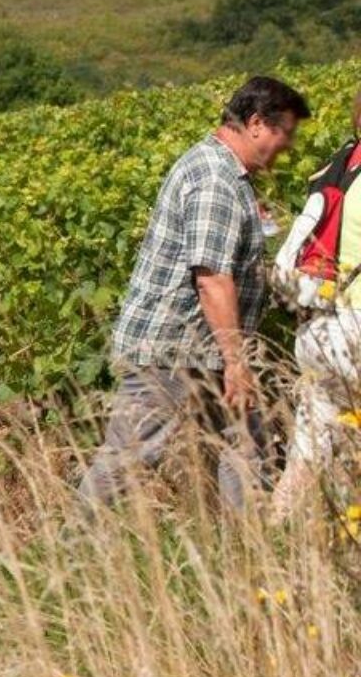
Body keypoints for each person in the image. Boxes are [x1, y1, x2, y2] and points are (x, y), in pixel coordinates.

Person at [80, 76, 308, 514]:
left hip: (201, 351)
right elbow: (211, 278)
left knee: (248, 443)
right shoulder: (215, 179)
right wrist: (236, 362)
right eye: (286, 134)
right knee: (128, 457)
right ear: (258, 123)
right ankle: (69, 554)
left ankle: (244, 554)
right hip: (174, 350)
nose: (289, 146)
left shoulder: (224, 173)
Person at [275, 86, 361, 517]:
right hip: (356, 328)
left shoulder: (342, 165)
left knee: (310, 447)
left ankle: (279, 532)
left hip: (318, 326)